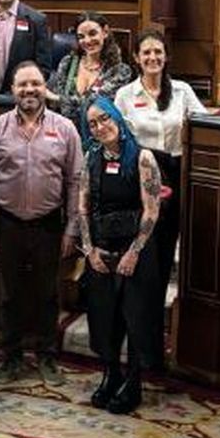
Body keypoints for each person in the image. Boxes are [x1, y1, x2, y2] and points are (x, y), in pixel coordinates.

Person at [114, 31, 220, 327]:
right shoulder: (125, 95)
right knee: (143, 249)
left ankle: (153, 325)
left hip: (176, 172)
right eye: (146, 53)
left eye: (158, 52)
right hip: (143, 175)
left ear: (166, 56)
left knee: (164, 249)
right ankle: (134, 320)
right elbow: (121, 141)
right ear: (136, 58)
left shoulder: (182, 90)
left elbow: (205, 123)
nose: (153, 58)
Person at [0, 62, 81, 386]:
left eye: (35, 84)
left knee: (47, 294)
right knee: (10, 295)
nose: (29, 90)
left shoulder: (65, 128)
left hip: (50, 224)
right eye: (22, 85)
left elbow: (76, 182)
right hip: (7, 224)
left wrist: (72, 229)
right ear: (12, 90)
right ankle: (11, 358)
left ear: (45, 87)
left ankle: (48, 357)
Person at [80, 99, 163, 415]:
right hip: (102, 248)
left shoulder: (142, 158)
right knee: (104, 317)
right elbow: (82, 208)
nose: (100, 127)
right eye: (93, 124)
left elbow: (152, 210)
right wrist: (89, 250)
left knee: (136, 317)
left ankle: (134, 380)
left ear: (117, 118)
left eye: (104, 119)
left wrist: (134, 251)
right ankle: (111, 372)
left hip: (135, 250)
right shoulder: (91, 159)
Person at [47, 11, 133, 132]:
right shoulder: (68, 63)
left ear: (105, 32)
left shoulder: (120, 70)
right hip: (65, 132)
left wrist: (57, 98)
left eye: (92, 34)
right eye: (81, 37)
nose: (87, 41)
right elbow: (61, 108)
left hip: (100, 135)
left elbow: (95, 104)